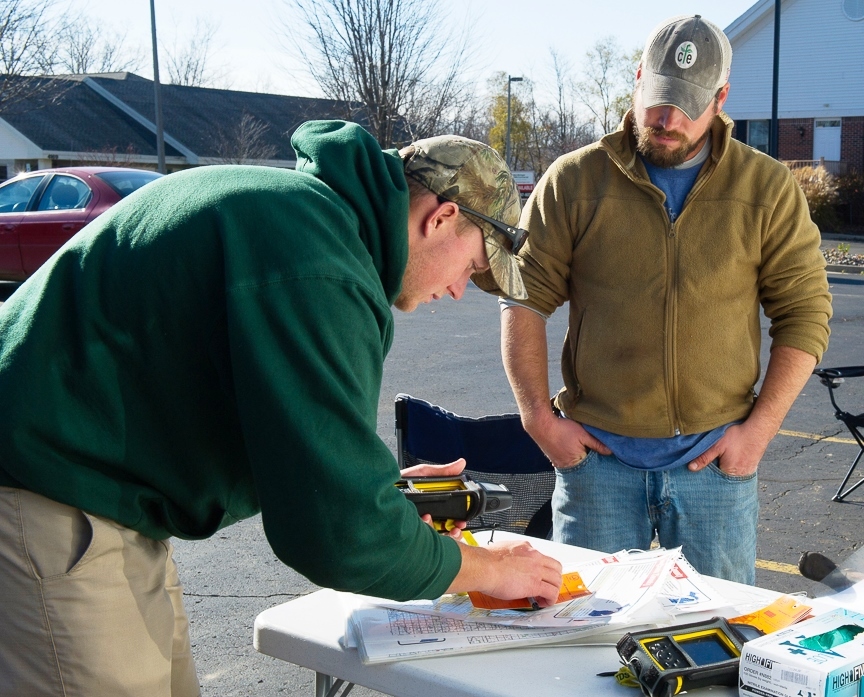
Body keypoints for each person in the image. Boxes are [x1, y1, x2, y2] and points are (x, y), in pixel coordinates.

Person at [0, 120, 562, 697]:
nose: (459, 290)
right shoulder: (317, 260)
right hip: (48, 494)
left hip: (106, 499)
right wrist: (488, 570)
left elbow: (291, 440)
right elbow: (339, 534)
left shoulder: (308, 221)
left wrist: (370, 486)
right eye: (472, 267)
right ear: (441, 217)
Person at [492, 15, 831, 586]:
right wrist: (539, 421)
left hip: (715, 469)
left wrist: (757, 434)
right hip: (596, 467)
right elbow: (521, 296)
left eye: (687, 105)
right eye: (657, 99)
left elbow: (805, 314)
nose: (667, 120)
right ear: (638, 79)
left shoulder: (766, 188)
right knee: (585, 627)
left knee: (718, 631)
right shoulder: (574, 181)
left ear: (720, 98)